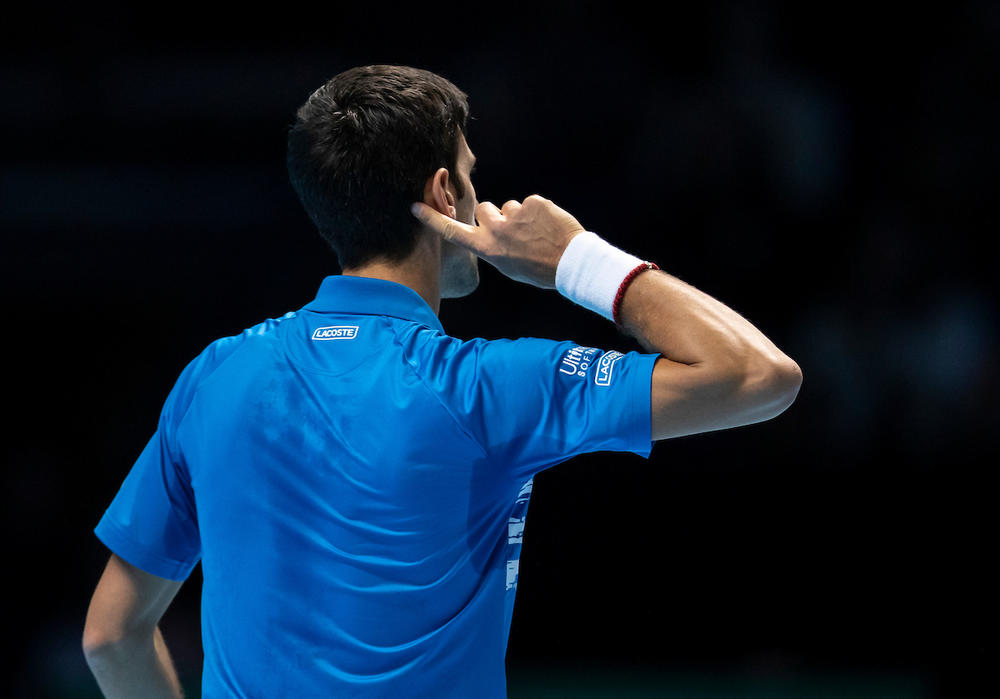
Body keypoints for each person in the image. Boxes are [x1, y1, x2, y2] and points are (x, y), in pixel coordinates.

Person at [82, 64, 802, 698]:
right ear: (444, 194)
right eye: (470, 173)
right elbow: (758, 376)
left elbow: (110, 636)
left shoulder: (215, 376)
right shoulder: (484, 387)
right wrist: (576, 259)